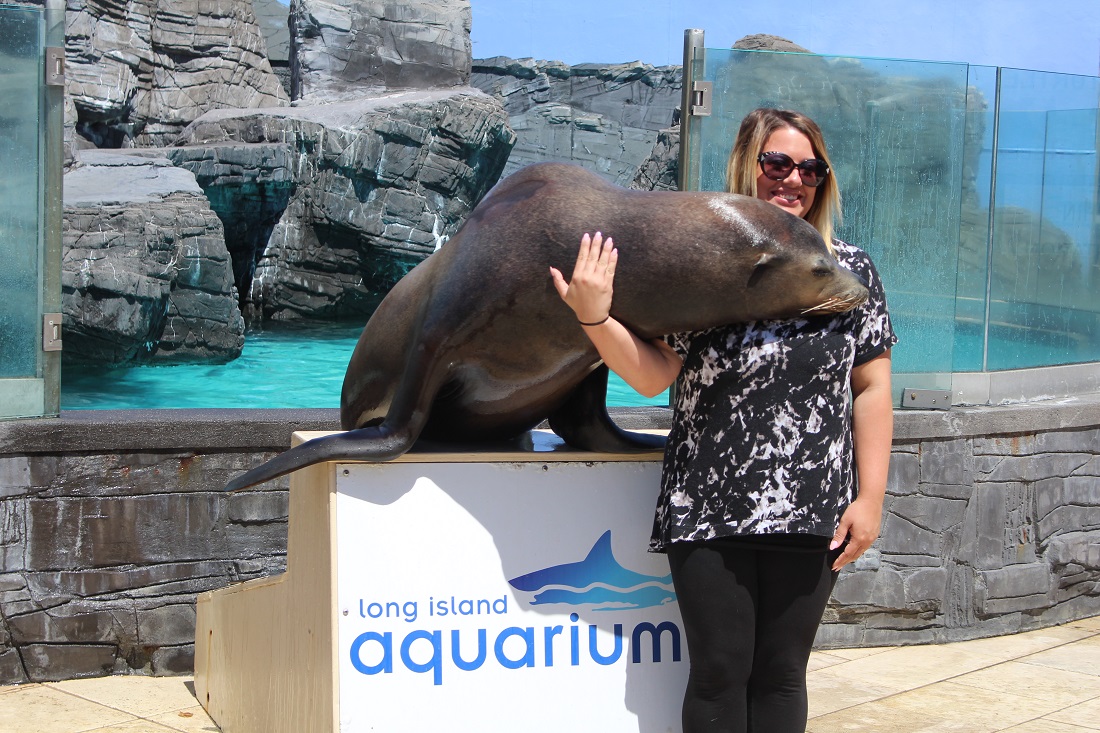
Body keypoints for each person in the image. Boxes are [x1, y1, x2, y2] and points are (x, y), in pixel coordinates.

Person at [548, 108, 896, 733]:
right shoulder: (705, 264)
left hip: (813, 503)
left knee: (782, 674)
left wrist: (870, 497)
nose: (793, 180)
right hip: (709, 501)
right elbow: (656, 375)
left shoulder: (849, 270)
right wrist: (595, 317)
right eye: (777, 163)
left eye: (810, 169)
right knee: (718, 673)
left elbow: (870, 387)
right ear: (747, 166)